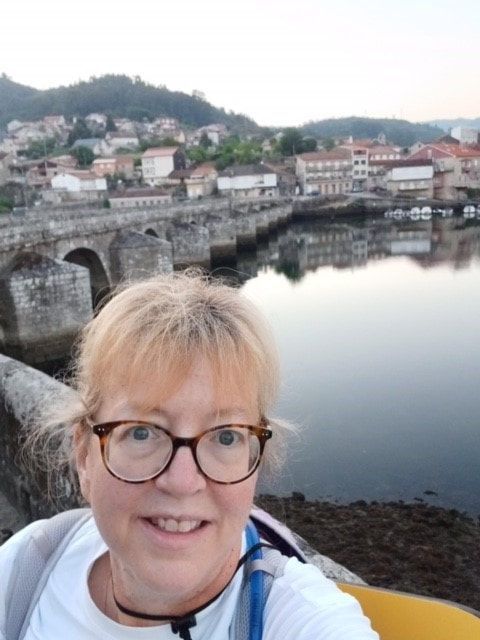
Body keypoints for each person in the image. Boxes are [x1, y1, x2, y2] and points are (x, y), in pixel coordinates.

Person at [0, 270, 378, 639]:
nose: (182, 482)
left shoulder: (298, 616)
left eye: (226, 437)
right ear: (84, 455)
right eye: (142, 432)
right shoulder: (28, 565)